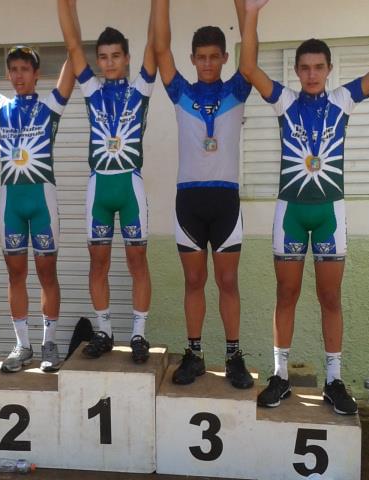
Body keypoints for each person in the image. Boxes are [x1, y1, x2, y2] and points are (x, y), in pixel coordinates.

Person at [240, 0, 369, 414]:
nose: (312, 74)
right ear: (296, 71)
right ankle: (280, 376)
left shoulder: (343, 99)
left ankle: (334, 380)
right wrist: (252, 13)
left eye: (318, 67)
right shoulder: (284, 101)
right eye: (305, 68)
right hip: (291, 213)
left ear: (329, 69)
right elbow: (248, 68)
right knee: (286, 294)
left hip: (330, 212)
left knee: (330, 297)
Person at [0, 0, 75, 373]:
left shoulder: (51, 106)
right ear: (8, 75)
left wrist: (68, 8)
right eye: (14, 69)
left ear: (37, 74)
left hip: (43, 201)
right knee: (16, 274)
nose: (19, 75)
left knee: (47, 274)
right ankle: (22, 345)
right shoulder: (0, 107)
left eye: (25, 69)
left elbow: (75, 55)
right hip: (11, 203)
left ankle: (49, 343)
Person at [152, 0, 254, 388]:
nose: (208, 63)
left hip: (225, 201)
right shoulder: (181, 92)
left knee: (228, 282)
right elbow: (161, 49)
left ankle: (233, 357)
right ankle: (194, 354)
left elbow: (252, 51)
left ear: (225, 57)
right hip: (189, 202)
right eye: (201, 57)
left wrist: (248, 10)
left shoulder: (237, 89)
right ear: (193, 59)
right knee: (193, 282)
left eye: (214, 56)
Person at [57, 0, 156, 363]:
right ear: (97, 61)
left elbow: (154, 43)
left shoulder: (141, 88)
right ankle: (104, 331)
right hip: (98, 187)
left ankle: (139, 334)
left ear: (127, 58)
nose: (110, 62)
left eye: (116, 56)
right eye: (103, 57)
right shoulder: (91, 90)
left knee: (137, 261)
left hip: (130, 186)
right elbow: (72, 44)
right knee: (97, 263)